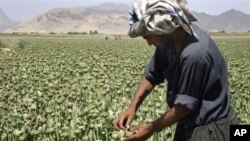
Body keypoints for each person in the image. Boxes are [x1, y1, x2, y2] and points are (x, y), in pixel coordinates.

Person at [113, 0, 239, 141]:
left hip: (213, 130)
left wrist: (151, 128)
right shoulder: (167, 42)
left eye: (148, 37)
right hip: (188, 124)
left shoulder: (195, 53)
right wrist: (132, 108)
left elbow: (184, 106)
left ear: (161, 28)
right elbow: (151, 75)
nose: (149, 43)